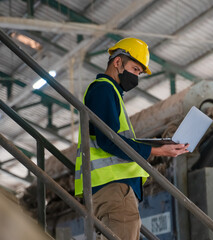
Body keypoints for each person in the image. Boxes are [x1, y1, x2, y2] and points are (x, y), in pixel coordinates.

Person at [74, 38, 189, 240]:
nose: (136, 76)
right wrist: (158, 151)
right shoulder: (103, 89)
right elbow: (108, 141)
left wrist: (155, 145)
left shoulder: (110, 92)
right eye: (135, 69)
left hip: (112, 189)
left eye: (139, 73)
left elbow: (111, 137)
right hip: (113, 188)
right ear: (117, 62)